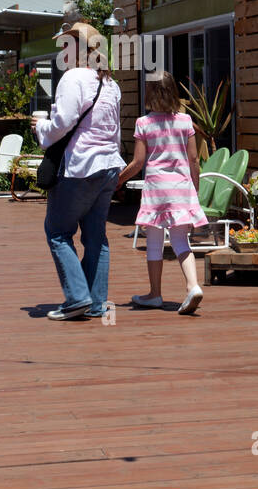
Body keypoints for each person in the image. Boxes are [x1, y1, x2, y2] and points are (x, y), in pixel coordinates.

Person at [32, 22, 124, 321]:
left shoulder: (73, 79)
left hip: (81, 166)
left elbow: (62, 124)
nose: (63, 51)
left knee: (58, 233)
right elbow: (114, 129)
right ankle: (95, 303)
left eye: (68, 45)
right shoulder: (110, 82)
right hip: (108, 165)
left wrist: (40, 127)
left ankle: (77, 298)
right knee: (96, 236)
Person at [117, 70, 206, 314]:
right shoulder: (185, 121)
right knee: (180, 240)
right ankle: (193, 286)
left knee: (154, 242)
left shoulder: (144, 123)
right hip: (181, 188)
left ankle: (155, 294)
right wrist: (194, 187)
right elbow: (194, 159)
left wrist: (118, 180)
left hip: (156, 190)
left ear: (150, 93)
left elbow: (137, 163)